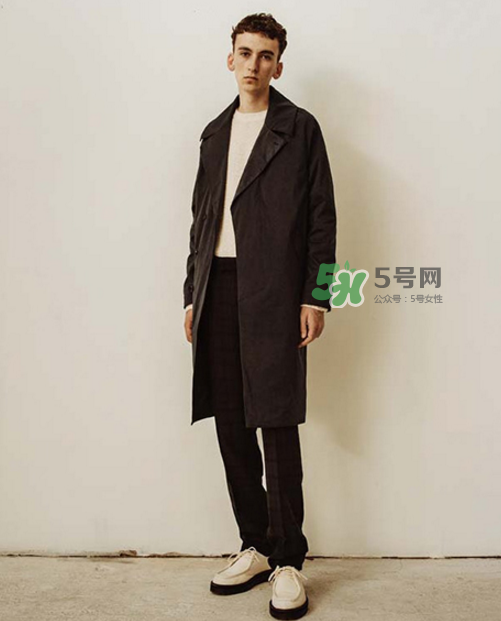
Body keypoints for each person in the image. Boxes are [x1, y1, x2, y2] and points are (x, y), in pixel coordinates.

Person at [182, 13, 336, 620]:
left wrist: (317, 296)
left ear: (278, 64)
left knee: (276, 420)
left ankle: (289, 559)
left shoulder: (299, 129)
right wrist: (191, 295)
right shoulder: (214, 133)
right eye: (244, 53)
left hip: (275, 291)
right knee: (231, 423)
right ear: (230, 59)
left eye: (265, 55)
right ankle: (255, 544)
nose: (253, 64)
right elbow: (199, 220)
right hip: (217, 287)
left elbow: (322, 217)